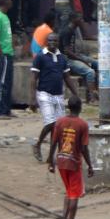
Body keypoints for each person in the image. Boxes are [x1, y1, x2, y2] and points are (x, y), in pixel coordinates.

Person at [48, 97, 94, 219]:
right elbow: (84, 147)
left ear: (68, 107)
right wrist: (90, 165)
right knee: (74, 195)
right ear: (80, 108)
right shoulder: (82, 124)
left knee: (69, 192)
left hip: (61, 160)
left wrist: (50, 160)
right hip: (74, 163)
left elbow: (54, 141)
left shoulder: (60, 122)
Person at [32, 33, 82, 162]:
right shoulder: (40, 57)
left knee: (60, 127)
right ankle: (38, 144)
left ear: (58, 42)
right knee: (51, 122)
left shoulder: (62, 58)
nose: (52, 43)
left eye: (54, 41)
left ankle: (53, 155)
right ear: (46, 42)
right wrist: (32, 98)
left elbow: (67, 77)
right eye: (50, 41)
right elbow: (34, 78)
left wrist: (75, 93)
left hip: (58, 95)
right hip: (44, 94)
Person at [58, 13, 99, 103]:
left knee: (98, 64)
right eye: (80, 19)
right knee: (90, 72)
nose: (82, 21)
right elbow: (67, 52)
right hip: (67, 59)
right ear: (74, 20)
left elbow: (85, 36)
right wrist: (83, 60)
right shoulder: (67, 31)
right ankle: (92, 98)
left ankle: (97, 91)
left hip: (76, 56)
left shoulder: (74, 30)